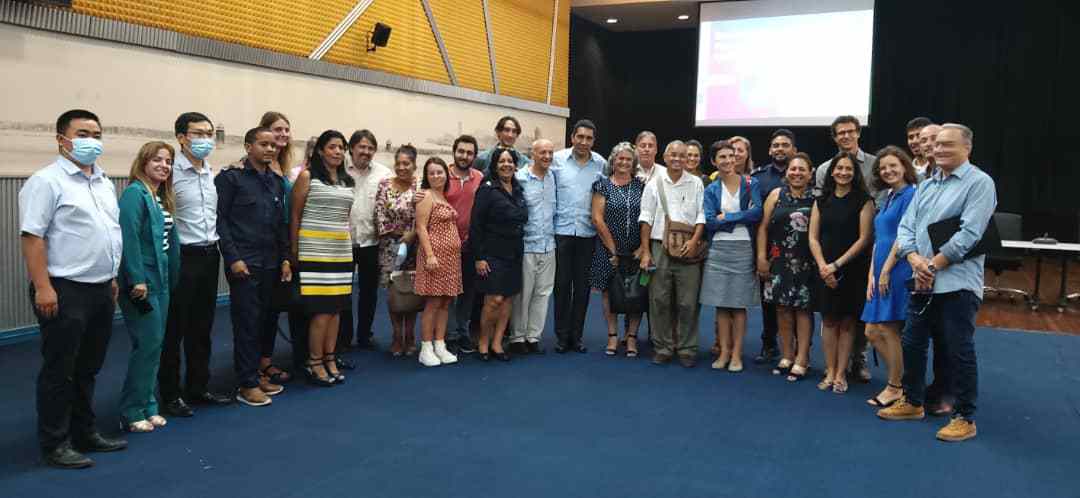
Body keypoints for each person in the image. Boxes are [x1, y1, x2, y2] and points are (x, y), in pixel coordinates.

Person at [20, 109, 127, 468]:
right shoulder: (46, 181)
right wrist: (43, 287)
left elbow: (107, 233)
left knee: (88, 367)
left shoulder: (103, 181)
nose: (91, 141)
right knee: (60, 369)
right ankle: (55, 443)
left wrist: (111, 277)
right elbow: (32, 238)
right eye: (82, 134)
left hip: (101, 288)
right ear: (61, 140)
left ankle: (85, 432)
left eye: (96, 135)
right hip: (63, 289)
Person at [878, 124, 996, 443]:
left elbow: (970, 234)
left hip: (957, 284)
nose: (939, 149)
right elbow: (906, 228)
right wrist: (915, 260)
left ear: (967, 148)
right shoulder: (927, 185)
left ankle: (964, 417)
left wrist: (932, 265)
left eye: (948, 144)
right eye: (937, 144)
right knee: (912, 344)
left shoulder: (980, 183)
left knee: (959, 350)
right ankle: (913, 402)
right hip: (921, 281)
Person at [160, 112, 230, 420]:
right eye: (198, 134)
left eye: (208, 134)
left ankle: (198, 387)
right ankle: (170, 394)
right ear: (181, 138)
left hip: (209, 254)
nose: (205, 140)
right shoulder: (169, 172)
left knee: (202, 327)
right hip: (182, 257)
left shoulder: (209, 172)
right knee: (174, 328)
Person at [216, 127, 292, 406]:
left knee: (266, 321)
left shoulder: (276, 181)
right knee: (247, 324)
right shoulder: (230, 178)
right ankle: (246, 384)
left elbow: (281, 224)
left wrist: (285, 258)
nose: (270, 149)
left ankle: (258, 374)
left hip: (272, 263)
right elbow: (220, 221)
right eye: (263, 144)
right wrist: (233, 258)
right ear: (249, 147)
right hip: (244, 263)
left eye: (273, 145)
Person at [115, 141, 181, 433]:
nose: (164, 166)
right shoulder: (134, 194)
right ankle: (131, 410)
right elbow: (128, 237)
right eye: (157, 160)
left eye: (168, 161)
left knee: (156, 345)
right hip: (141, 283)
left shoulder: (160, 197)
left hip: (161, 280)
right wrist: (136, 279)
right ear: (143, 162)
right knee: (146, 345)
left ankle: (148, 405)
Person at [814, 115, 878, 383]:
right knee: (830, 318)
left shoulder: (875, 164)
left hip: (863, 252)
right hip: (828, 257)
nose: (846, 136)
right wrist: (825, 266)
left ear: (858, 133)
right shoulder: (823, 170)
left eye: (850, 131)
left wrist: (838, 264)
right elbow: (818, 224)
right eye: (840, 132)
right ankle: (832, 368)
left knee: (854, 317)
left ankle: (857, 359)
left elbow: (874, 215)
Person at [290, 130, 355, 386]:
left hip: (341, 252)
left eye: (341, 147)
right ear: (320, 150)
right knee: (321, 312)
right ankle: (314, 362)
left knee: (336, 310)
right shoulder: (307, 176)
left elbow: (344, 217)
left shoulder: (347, 181)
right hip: (314, 251)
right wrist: (294, 251)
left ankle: (330, 358)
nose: (338, 151)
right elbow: (295, 215)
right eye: (332, 147)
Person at [639, 140, 705, 368]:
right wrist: (646, 252)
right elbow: (646, 218)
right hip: (659, 247)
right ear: (665, 157)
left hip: (689, 248)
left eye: (682, 155)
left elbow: (701, 215)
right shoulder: (654, 184)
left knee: (688, 302)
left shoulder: (696, 183)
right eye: (673, 155)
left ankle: (687, 348)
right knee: (659, 300)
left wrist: (694, 242)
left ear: (687, 158)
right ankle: (663, 347)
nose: (677, 159)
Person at [863, 146, 918, 408]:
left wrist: (885, 270)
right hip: (880, 269)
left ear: (904, 166)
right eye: (883, 167)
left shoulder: (911, 195)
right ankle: (907, 380)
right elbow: (879, 239)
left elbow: (903, 236)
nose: (888, 171)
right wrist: (872, 275)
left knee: (888, 327)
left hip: (898, 267)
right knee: (872, 331)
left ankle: (895, 386)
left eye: (893, 165)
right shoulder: (888, 196)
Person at [701, 140, 762, 372]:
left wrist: (727, 218)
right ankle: (724, 352)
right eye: (722, 157)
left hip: (743, 249)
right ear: (714, 161)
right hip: (718, 250)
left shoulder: (751, 183)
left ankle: (737, 354)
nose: (728, 160)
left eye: (731, 156)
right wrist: (738, 217)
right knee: (721, 305)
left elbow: (756, 213)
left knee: (738, 305)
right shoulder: (711, 189)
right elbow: (709, 221)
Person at [757, 153, 815, 382]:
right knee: (781, 309)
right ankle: (787, 355)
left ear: (810, 173)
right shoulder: (776, 195)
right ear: (787, 172)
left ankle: (802, 358)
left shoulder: (817, 198)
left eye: (802, 169)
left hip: (806, 262)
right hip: (778, 260)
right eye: (793, 169)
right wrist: (761, 257)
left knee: (802, 310)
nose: (797, 173)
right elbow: (763, 228)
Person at [552, 119, 607, 353]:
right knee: (561, 286)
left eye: (589, 138)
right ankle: (561, 337)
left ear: (593, 141)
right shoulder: (556, 160)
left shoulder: (601, 164)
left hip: (587, 234)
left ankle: (577, 336)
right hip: (561, 233)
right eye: (580, 137)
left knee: (583, 289)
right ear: (572, 137)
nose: (584, 142)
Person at [470, 148, 528, 361]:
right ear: (494, 165)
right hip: (492, 253)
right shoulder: (487, 189)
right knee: (494, 299)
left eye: (510, 161)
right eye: (502, 161)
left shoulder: (518, 189)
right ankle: (483, 343)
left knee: (507, 300)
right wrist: (479, 257)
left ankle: (497, 344)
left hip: (514, 253)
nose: (506, 165)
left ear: (515, 165)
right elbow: (476, 225)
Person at [590, 142, 646, 357]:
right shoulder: (602, 185)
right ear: (613, 161)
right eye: (620, 158)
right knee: (609, 292)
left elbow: (649, 217)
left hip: (636, 249)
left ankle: (631, 337)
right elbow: (597, 219)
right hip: (608, 248)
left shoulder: (641, 186)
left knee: (636, 292)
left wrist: (643, 247)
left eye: (628, 159)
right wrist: (613, 250)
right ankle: (612, 336)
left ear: (634, 163)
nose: (624, 162)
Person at [340, 129, 391, 352]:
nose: (366, 151)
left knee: (369, 293)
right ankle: (343, 337)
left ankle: (364, 335)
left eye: (370, 148)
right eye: (362, 146)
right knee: (342, 292)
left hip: (371, 242)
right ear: (351, 148)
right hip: (343, 242)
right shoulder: (338, 170)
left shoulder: (384, 174)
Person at [750, 129, 796, 364]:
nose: (780, 149)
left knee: (797, 302)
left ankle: (797, 348)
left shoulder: (804, 174)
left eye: (785, 145)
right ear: (770, 150)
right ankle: (769, 343)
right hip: (769, 248)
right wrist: (760, 255)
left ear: (793, 150)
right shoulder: (759, 178)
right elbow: (756, 217)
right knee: (768, 300)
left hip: (798, 250)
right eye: (776, 145)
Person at [255, 111, 295, 384]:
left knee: (273, 309)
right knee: (256, 312)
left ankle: (266, 362)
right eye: (276, 129)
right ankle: (252, 367)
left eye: (286, 130)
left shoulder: (286, 166)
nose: (282, 135)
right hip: (260, 249)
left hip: (283, 245)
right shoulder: (255, 167)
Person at [414, 157, 463, 367]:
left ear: (446, 174)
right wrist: (430, 255)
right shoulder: (426, 195)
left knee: (445, 303)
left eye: (440, 172)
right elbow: (421, 227)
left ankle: (440, 345)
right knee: (433, 303)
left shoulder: (442, 196)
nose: (436, 176)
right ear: (426, 176)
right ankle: (426, 348)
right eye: (431, 173)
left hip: (451, 259)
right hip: (434, 257)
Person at [510, 139, 557, 354]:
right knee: (523, 294)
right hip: (526, 245)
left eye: (550, 152)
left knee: (543, 294)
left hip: (549, 245)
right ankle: (517, 337)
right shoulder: (519, 178)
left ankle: (533, 337)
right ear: (533, 154)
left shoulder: (553, 178)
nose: (547, 156)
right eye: (542, 152)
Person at [376, 145, 421, 357]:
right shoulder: (384, 185)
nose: (402, 167)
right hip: (389, 247)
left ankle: (410, 336)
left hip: (415, 246)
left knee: (411, 292)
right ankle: (396, 336)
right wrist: (398, 235)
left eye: (406, 163)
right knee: (394, 294)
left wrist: (412, 234)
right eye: (398, 163)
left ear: (414, 165)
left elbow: (423, 215)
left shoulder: (420, 186)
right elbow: (379, 215)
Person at [445, 135, 485, 354]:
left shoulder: (479, 177)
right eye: (461, 151)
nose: (464, 156)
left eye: (469, 153)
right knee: (448, 293)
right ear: (454, 152)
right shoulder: (443, 175)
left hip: (471, 245)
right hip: (445, 245)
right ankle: (449, 334)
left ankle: (462, 332)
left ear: (474, 156)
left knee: (468, 292)